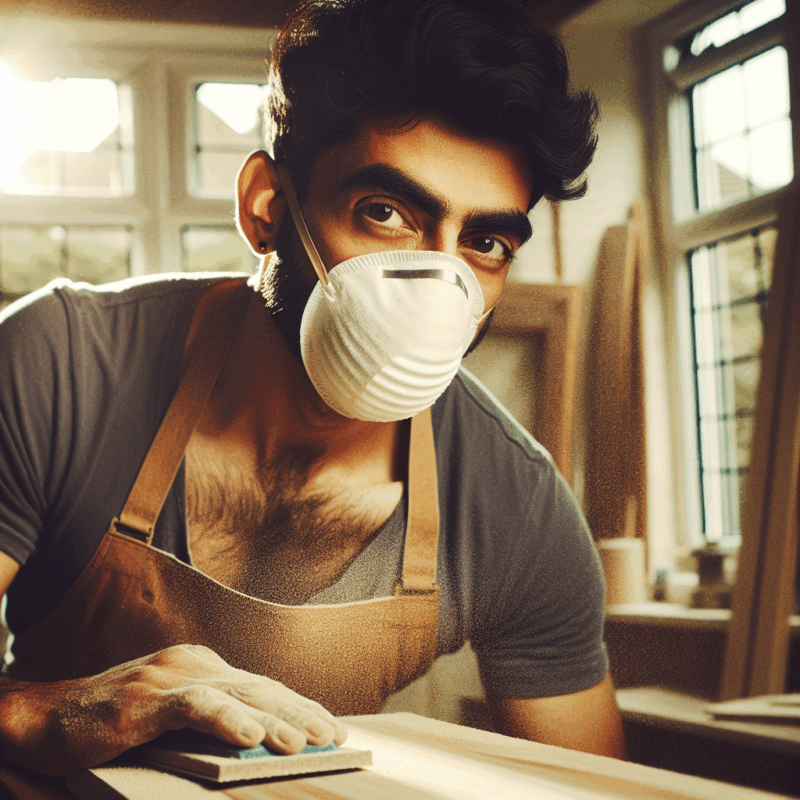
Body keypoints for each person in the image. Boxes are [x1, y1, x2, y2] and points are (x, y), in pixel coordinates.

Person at [0, 0, 625, 776]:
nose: (438, 282)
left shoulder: (515, 506)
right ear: (265, 206)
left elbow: (590, 788)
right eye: (386, 212)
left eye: (485, 241)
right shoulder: (59, 368)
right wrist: (53, 708)